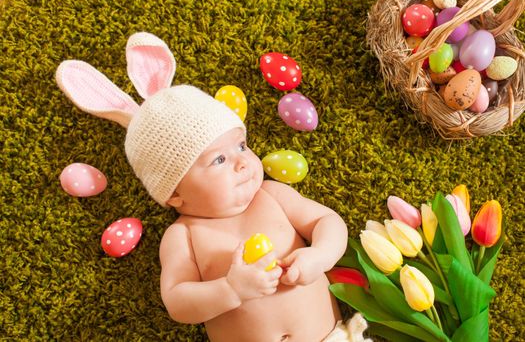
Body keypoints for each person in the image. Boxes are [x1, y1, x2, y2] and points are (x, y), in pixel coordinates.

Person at [56, 32, 370, 342]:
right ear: (175, 193)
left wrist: (319, 256)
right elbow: (178, 301)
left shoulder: (272, 196)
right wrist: (230, 289)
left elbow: (328, 222)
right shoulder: (184, 237)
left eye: (242, 146)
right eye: (219, 159)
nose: (243, 162)